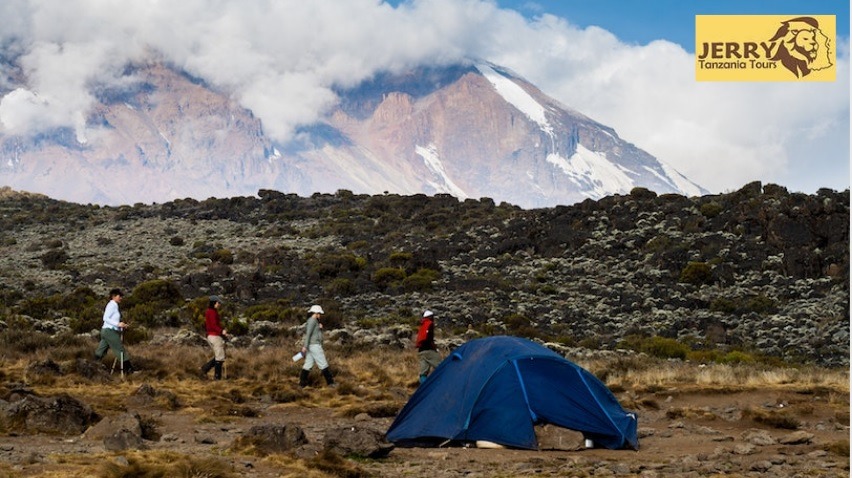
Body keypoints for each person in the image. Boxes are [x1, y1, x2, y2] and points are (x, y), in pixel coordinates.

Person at [94, 288, 133, 374]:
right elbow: (105, 318)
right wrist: (117, 324)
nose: (121, 298)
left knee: (101, 351)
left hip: (106, 331)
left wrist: (121, 325)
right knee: (120, 350)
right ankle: (129, 370)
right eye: (120, 296)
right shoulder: (112, 305)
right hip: (109, 331)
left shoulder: (114, 305)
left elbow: (112, 320)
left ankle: (93, 366)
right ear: (114, 296)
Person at [299, 304, 335, 388]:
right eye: (319, 313)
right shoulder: (312, 320)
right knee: (323, 364)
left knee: (308, 364)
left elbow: (314, 333)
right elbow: (308, 334)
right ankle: (331, 383)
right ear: (315, 313)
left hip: (311, 346)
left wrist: (319, 328)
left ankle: (302, 384)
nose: (320, 315)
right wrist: (305, 346)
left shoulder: (313, 321)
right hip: (315, 345)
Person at [200, 295, 228, 380]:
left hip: (214, 335)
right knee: (220, 357)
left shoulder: (212, 311)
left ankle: (204, 369)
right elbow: (213, 325)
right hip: (214, 336)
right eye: (218, 302)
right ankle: (216, 378)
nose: (219, 304)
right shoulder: (211, 312)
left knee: (219, 356)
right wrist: (222, 331)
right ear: (214, 303)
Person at [415, 310, 441, 384]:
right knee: (440, 366)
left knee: (423, 372)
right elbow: (429, 338)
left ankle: (424, 388)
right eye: (432, 317)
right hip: (428, 349)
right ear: (430, 317)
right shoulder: (429, 324)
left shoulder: (422, 324)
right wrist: (434, 348)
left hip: (421, 351)